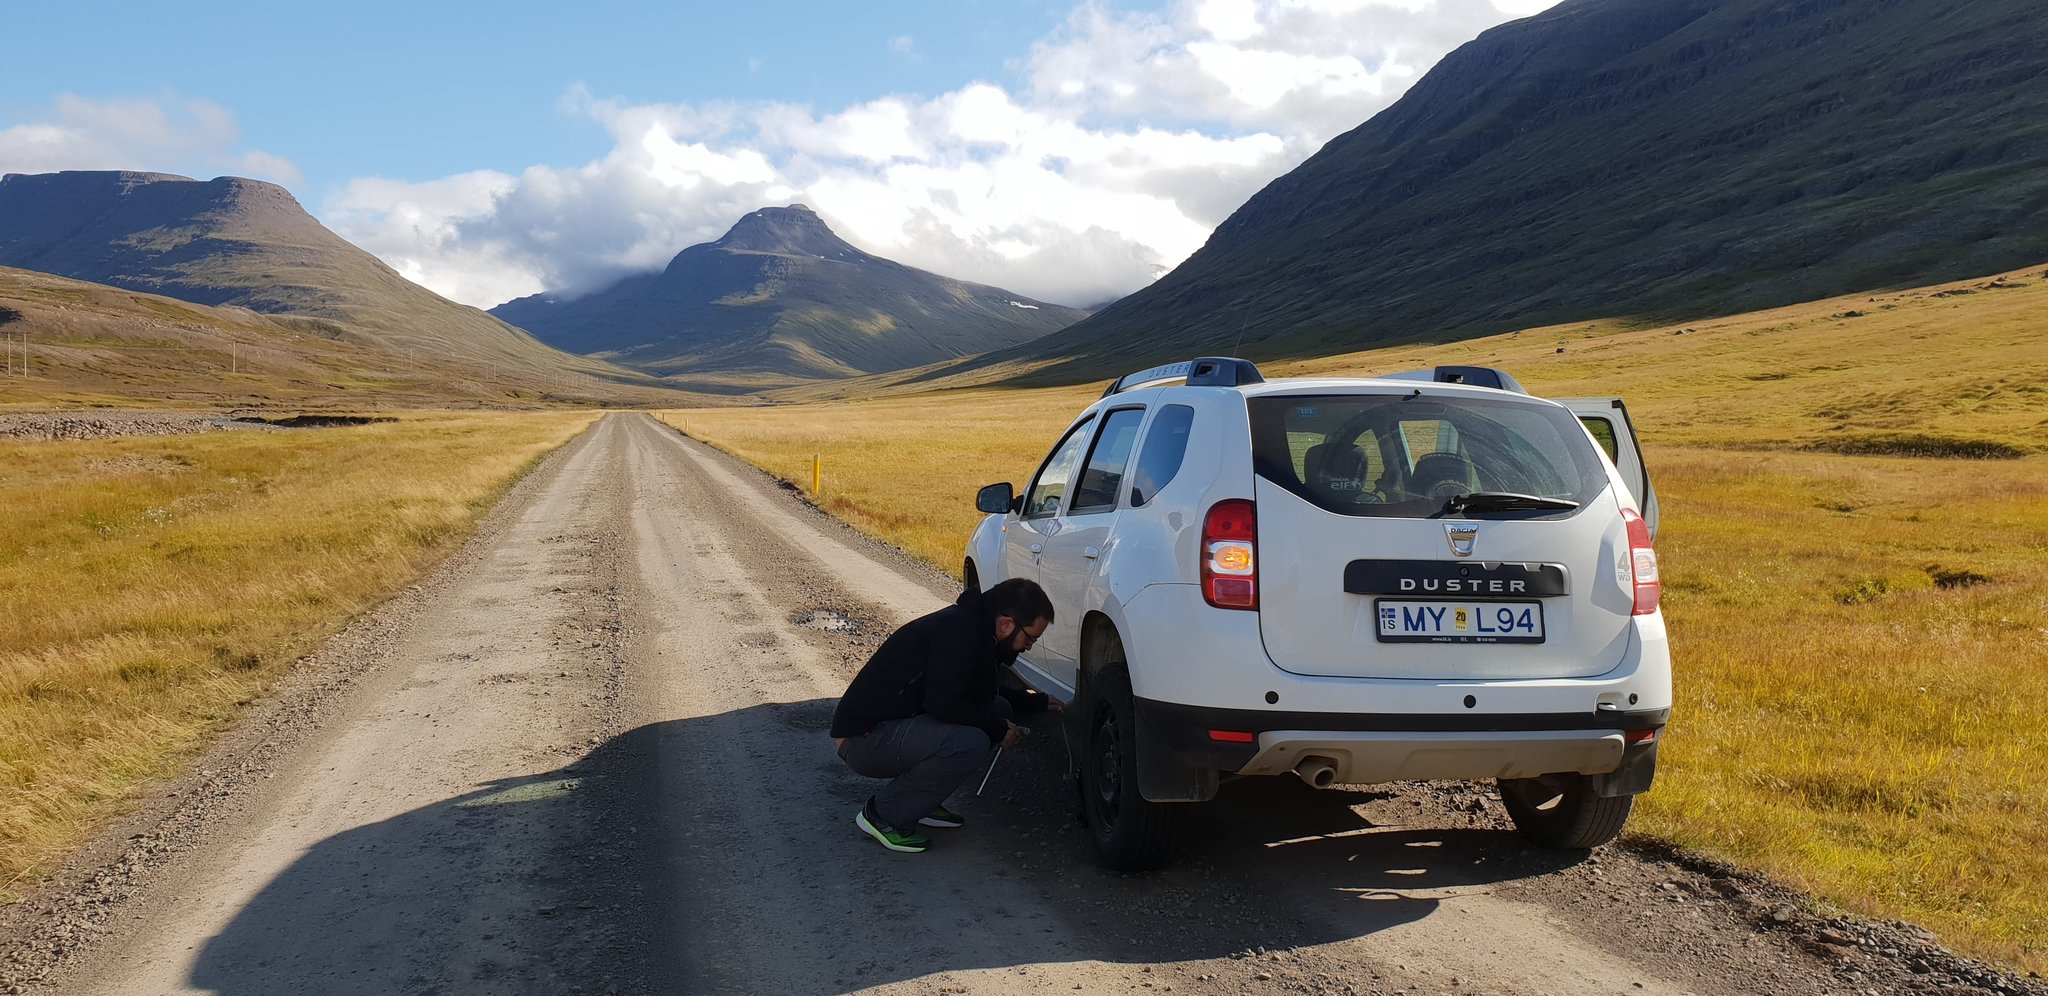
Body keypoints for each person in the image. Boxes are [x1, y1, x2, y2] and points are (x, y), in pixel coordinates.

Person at [831, 578, 1057, 853]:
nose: (1028, 647)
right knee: (969, 743)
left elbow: (977, 694)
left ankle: (920, 801)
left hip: (890, 727)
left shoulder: (973, 627)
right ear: (1007, 624)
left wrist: (1036, 703)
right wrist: (997, 729)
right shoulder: (959, 633)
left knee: (997, 709)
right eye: (1030, 638)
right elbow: (943, 703)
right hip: (862, 740)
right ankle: (884, 815)